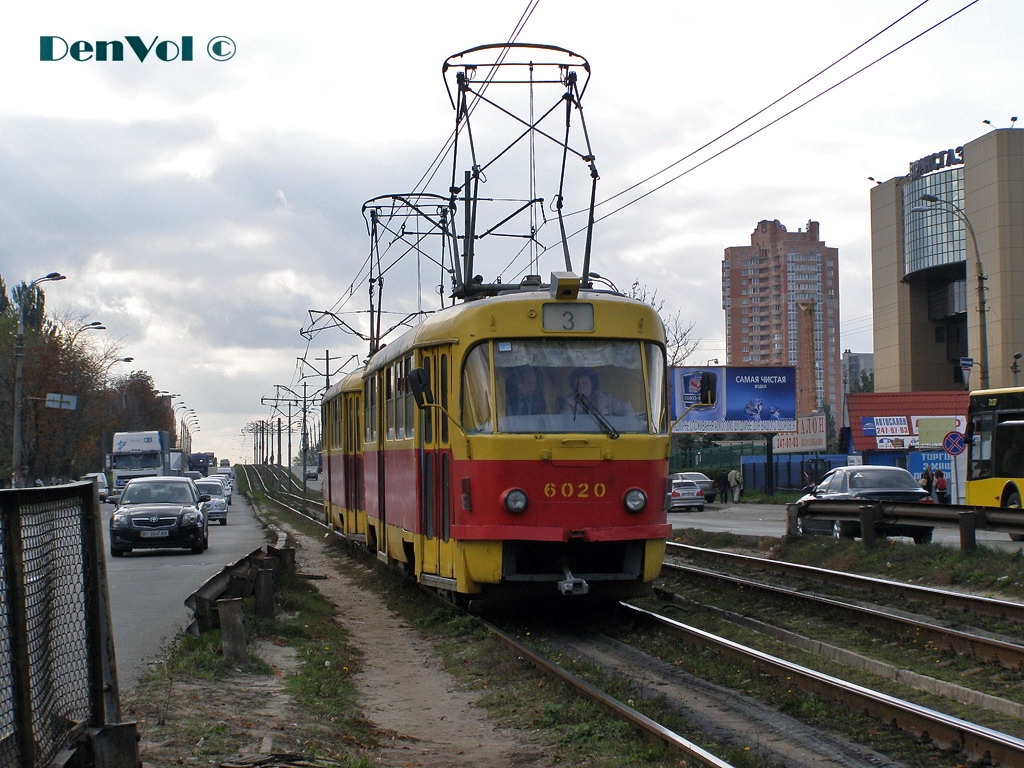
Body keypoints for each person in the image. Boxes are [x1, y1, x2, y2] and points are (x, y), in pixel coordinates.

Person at [562, 368, 630, 417]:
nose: (581, 387)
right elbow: (568, 422)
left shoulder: (605, 398)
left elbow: (626, 407)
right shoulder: (569, 402)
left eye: (585, 383)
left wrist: (628, 426)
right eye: (577, 384)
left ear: (592, 384)